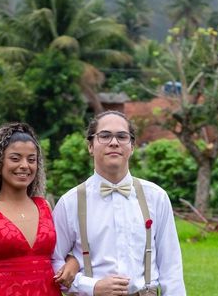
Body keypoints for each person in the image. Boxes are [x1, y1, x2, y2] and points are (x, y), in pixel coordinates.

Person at [52, 110, 186, 296]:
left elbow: (171, 267)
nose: (114, 142)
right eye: (105, 136)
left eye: (122, 136)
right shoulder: (70, 203)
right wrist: (91, 286)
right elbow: (53, 261)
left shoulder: (156, 197)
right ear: (90, 146)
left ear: (132, 146)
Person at [0, 122, 78, 296]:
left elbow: (59, 255)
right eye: (15, 158)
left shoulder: (44, 206)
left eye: (31, 159)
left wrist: (73, 263)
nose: (25, 165)